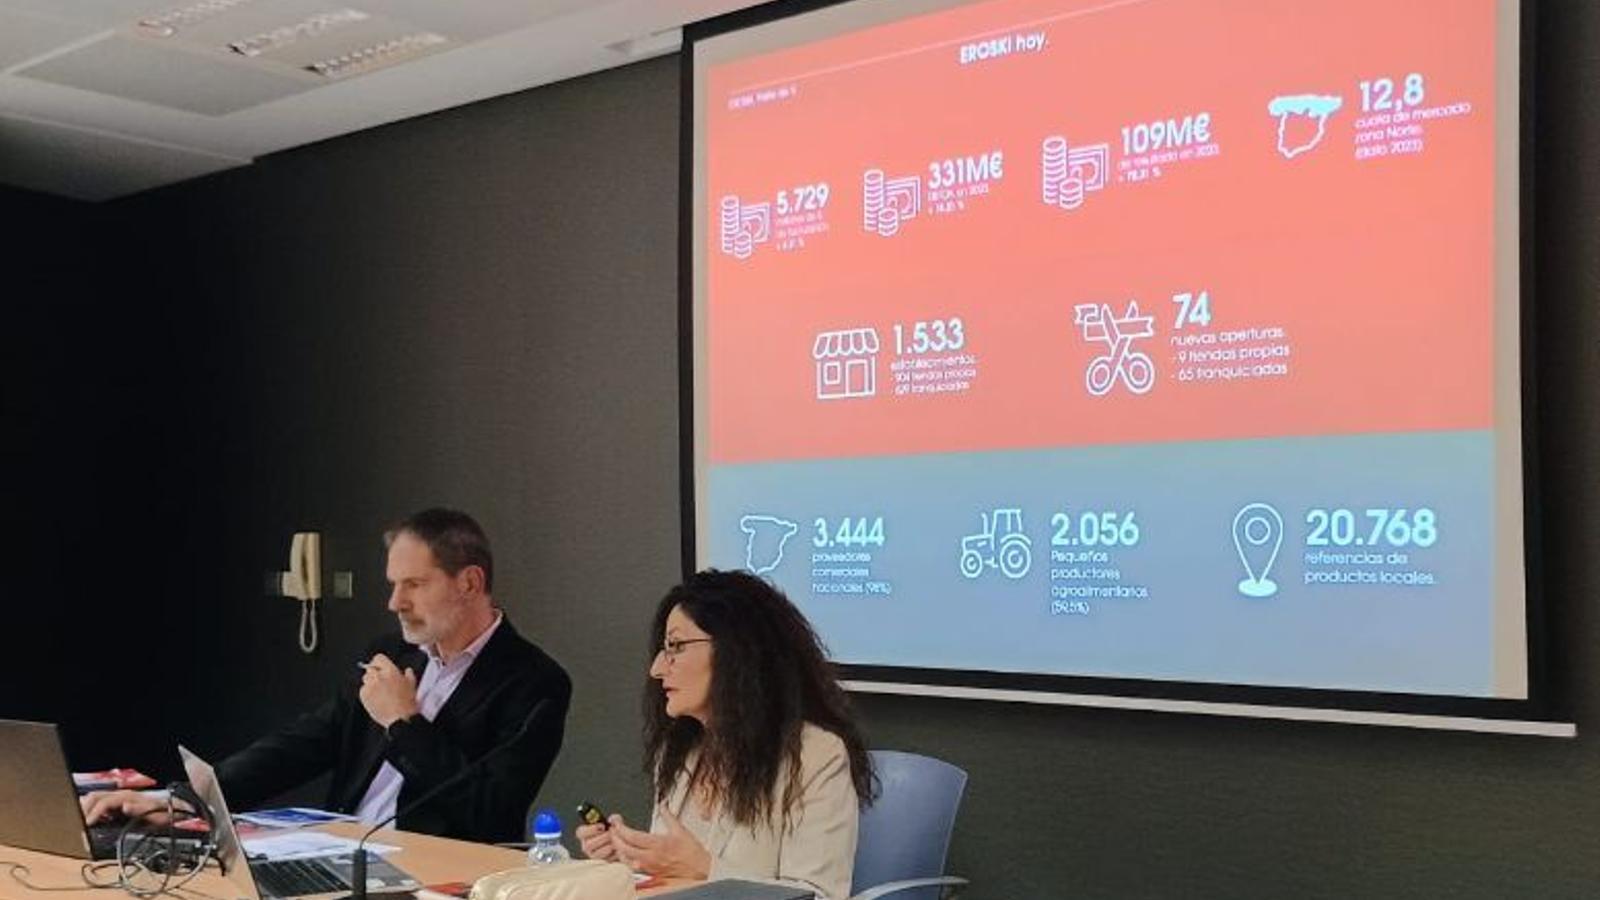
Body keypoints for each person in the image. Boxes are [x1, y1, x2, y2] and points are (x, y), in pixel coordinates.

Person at [82, 508, 571, 844]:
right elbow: (305, 743)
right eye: (393, 584)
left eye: (414, 584)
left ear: (470, 582)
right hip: (340, 853)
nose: (395, 602)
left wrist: (404, 724)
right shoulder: (391, 653)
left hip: (437, 876)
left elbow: (489, 809)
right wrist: (186, 799)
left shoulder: (534, 682)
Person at [577, 570, 874, 900]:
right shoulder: (678, 751)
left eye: (676, 646)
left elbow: (818, 897)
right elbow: (673, 880)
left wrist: (706, 869)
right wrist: (628, 860)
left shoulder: (816, 756)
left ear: (736, 652)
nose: (657, 669)